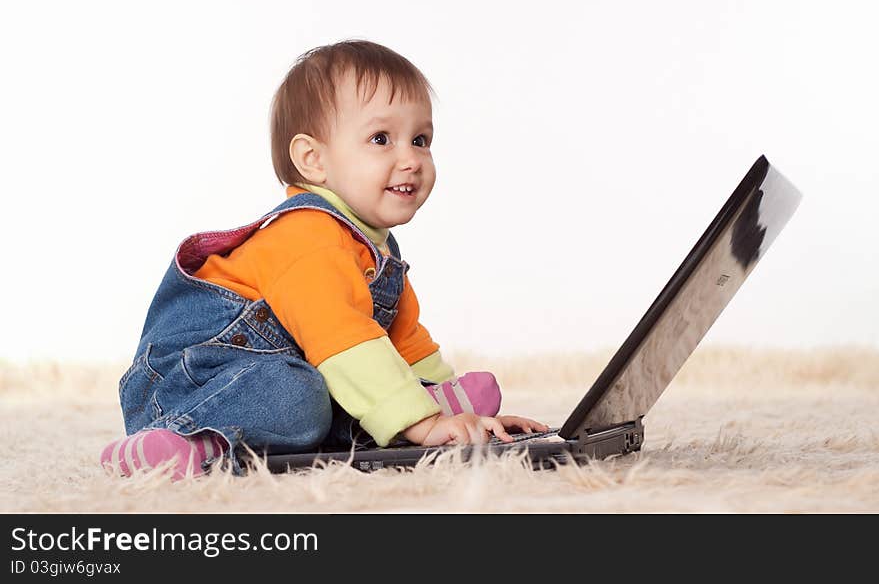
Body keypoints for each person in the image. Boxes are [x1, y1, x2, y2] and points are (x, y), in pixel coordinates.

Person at [101, 40, 548, 480]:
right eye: (381, 139)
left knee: (334, 391)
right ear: (313, 160)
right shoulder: (308, 236)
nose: (410, 159)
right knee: (299, 397)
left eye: (420, 139)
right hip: (193, 385)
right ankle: (187, 442)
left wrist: (449, 408)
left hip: (294, 371)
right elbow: (345, 341)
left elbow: (401, 340)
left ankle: (403, 408)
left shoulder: (374, 246)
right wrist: (424, 422)